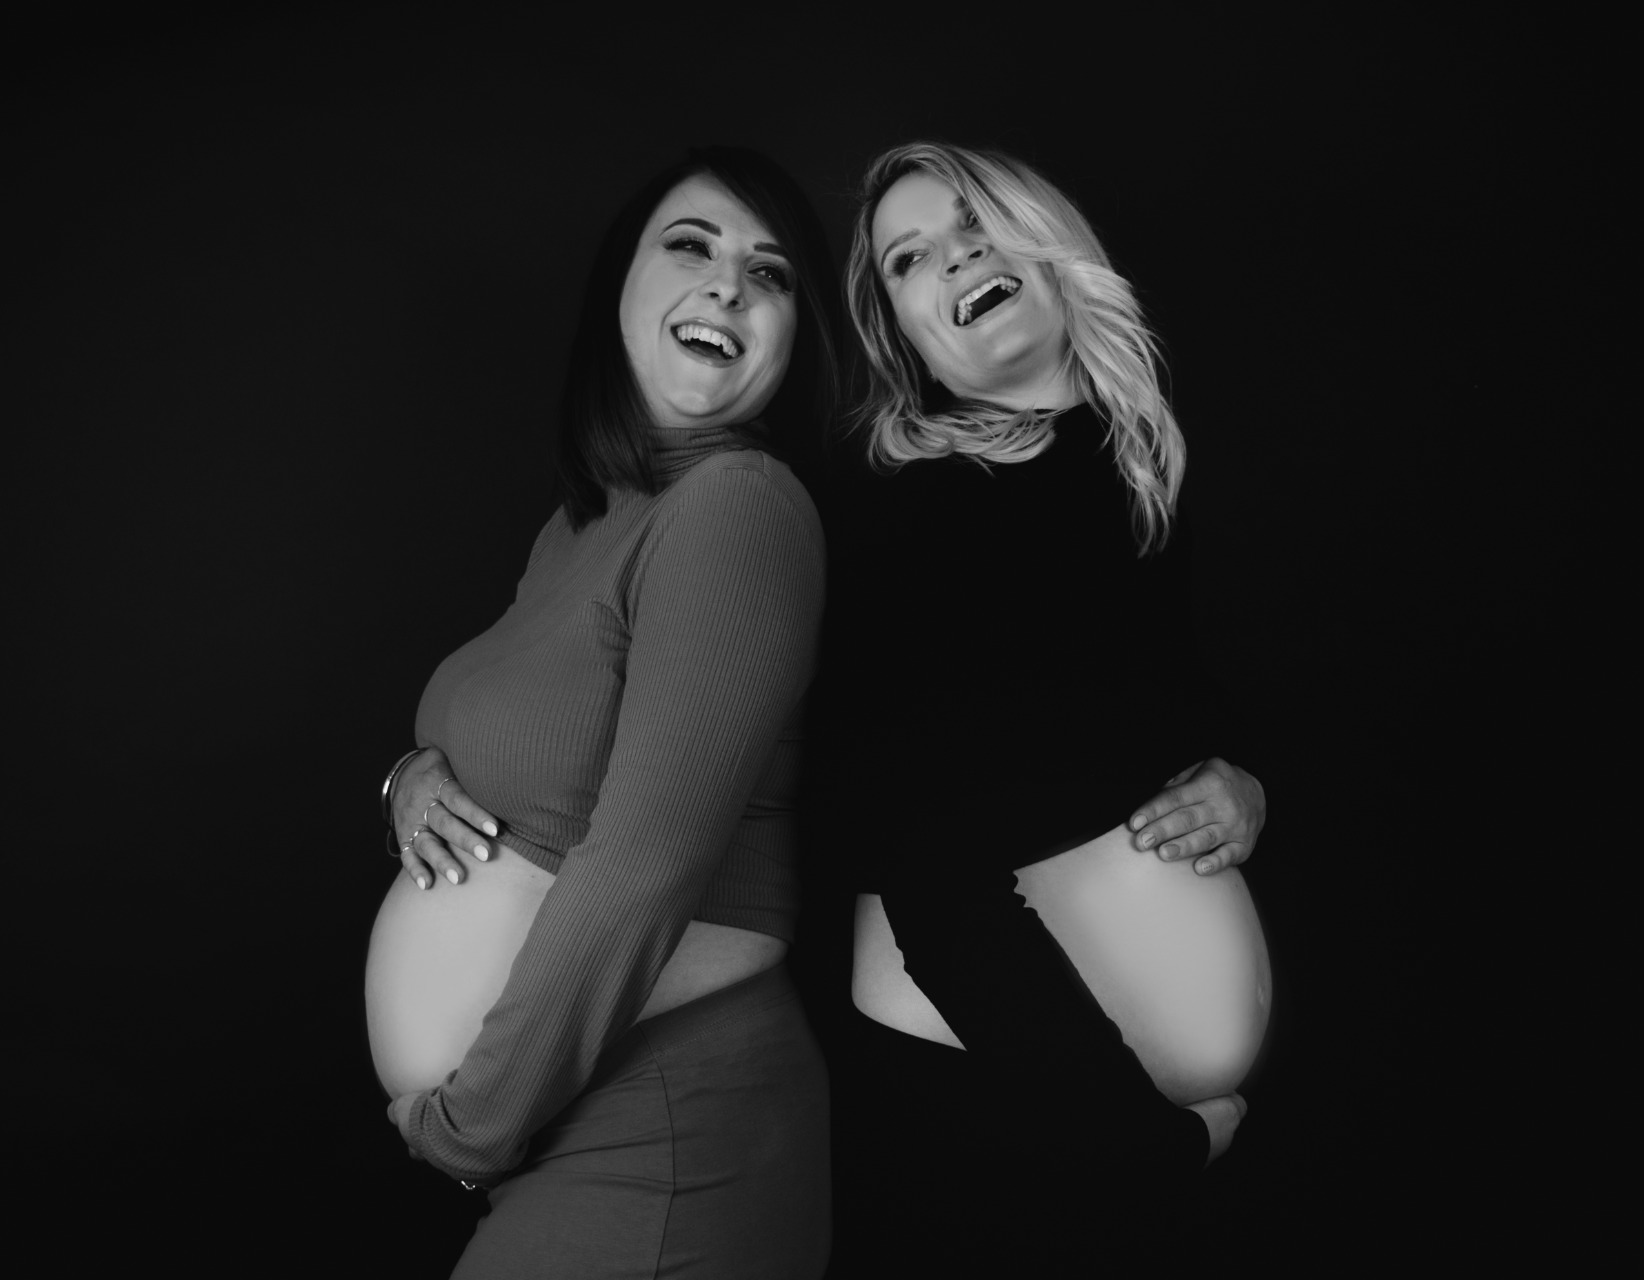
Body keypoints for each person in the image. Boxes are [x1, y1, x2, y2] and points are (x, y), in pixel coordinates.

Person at [362, 145, 841, 1279]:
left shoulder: (739, 505)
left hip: (665, 1122)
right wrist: (411, 778)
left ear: (792, 338)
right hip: (574, 1112)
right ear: (620, 285)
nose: (728, 285)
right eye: (692, 246)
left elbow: (645, 861)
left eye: (769, 273)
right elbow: (511, 735)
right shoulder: (585, 520)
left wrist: (475, 1123)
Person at [811, 141, 1271, 1278]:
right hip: (998, 1102)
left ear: (1042, 231)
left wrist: (1246, 776)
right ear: (908, 339)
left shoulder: (1137, 463)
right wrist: (1138, 1146)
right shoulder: (929, 516)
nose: (953, 255)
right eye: (909, 258)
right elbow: (920, 850)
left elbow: (1181, 695)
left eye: (973, 220)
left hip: (1093, 1113)